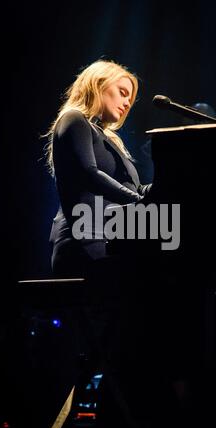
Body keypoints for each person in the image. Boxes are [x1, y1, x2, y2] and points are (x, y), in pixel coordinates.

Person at [45, 59, 152, 279]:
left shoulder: (112, 142)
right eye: (122, 92)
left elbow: (137, 189)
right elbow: (89, 174)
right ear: (99, 84)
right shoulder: (73, 119)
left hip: (111, 238)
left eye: (130, 99)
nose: (127, 103)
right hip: (82, 241)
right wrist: (139, 203)